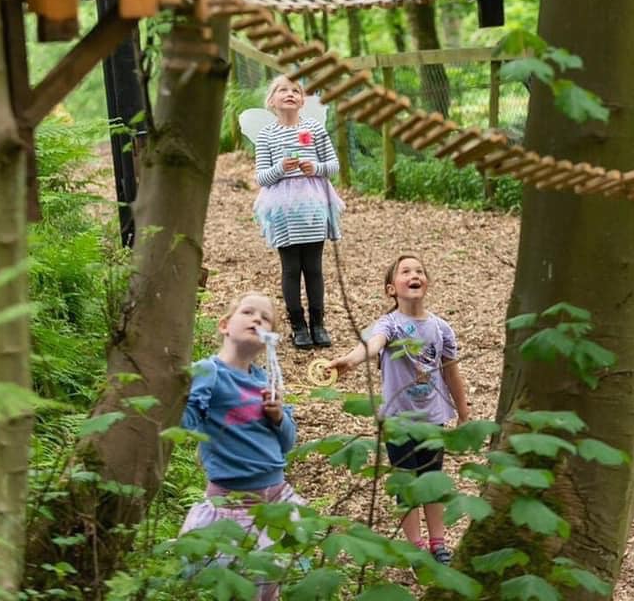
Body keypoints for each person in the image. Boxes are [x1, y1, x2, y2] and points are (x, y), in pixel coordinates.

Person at [328, 254, 470, 565]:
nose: (414, 274)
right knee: (405, 481)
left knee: (432, 478)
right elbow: (373, 344)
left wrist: (463, 412)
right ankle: (415, 545)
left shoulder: (441, 328)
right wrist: (348, 362)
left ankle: (438, 542)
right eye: (405, 271)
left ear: (426, 283)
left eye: (419, 270)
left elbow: (451, 372)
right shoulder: (390, 324)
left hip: (433, 417)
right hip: (398, 420)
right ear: (392, 289)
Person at [180, 291, 303, 600]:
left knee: (270, 579)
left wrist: (278, 418)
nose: (257, 319)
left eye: (265, 318)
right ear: (224, 325)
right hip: (231, 502)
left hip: (274, 496)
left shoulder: (267, 380)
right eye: (248, 312)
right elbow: (187, 425)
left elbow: (287, 444)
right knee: (236, 584)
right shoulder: (209, 371)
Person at [253, 75, 343, 350]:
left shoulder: (315, 129)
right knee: (291, 267)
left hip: (313, 205)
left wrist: (314, 167)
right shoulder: (266, 135)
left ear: (302, 100)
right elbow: (261, 177)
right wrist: (281, 168)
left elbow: (333, 165)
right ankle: (298, 326)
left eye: (295, 90)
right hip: (282, 209)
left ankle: (318, 323)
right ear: (272, 101)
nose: (289, 94)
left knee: (313, 267)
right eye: (282, 90)